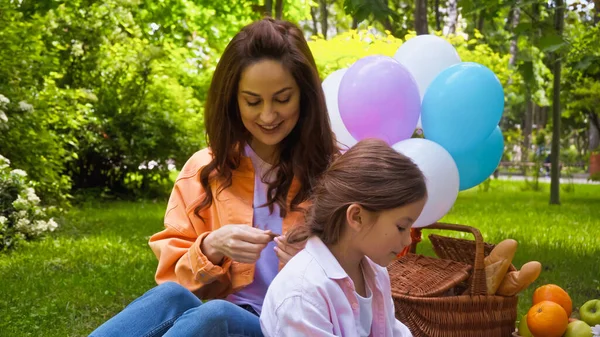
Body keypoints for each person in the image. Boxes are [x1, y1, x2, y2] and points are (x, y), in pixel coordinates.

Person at [89, 17, 338, 337]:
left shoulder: (336, 172)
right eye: (253, 101)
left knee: (216, 313)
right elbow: (173, 278)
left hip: (292, 325)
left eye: (282, 98)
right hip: (221, 314)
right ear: (233, 101)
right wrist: (210, 247)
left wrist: (312, 266)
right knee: (172, 297)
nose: (268, 115)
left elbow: (371, 277)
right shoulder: (205, 169)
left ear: (305, 95)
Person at [260, 139, 427, 337]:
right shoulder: (303, 294)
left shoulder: (375, 274)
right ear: (357, 217)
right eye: (401, 227)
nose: (408, 240)